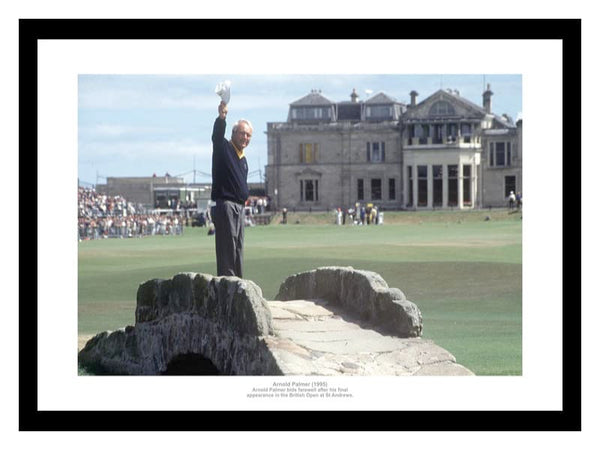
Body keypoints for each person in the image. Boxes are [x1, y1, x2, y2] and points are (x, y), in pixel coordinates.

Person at [211, 100, 252, 277]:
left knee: (238, 248)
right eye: (242, 133)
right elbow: (217, 136)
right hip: (226, 205)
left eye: (248, 135)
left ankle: (239, 284)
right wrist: (222, 118)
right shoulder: (224, 148)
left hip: (240, 208)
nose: (245, 138)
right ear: (234, 133)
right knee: (227, 248)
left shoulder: (243, 159)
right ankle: (228, 285)